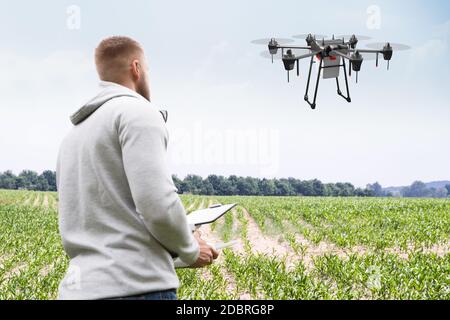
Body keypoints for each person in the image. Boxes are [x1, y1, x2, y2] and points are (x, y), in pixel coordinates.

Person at [56, 36, 218, 300]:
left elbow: (110, 218)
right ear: (136, 68)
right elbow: (156, 203)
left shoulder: (73, 136)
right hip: (135, 289)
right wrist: (190, 248)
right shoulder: (138, 113)